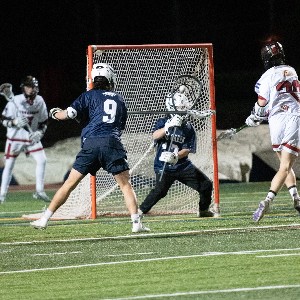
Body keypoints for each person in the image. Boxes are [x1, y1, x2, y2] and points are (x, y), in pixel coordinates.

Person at [30, 63, 150, 233]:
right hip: (112, 142)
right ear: (110, 78)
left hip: (91, 143)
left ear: (93, 79)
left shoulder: (88, 96)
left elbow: (69, 114)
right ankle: (136, 224)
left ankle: (44, 219)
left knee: (69, 185)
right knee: (125, 185)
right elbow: (120, 125)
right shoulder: (119, 98)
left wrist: (55, 113)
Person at [245, 40, 300, 222]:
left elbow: (262, 103)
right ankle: (268, 199)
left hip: (276, 121)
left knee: (284, 166)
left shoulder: (267, 75)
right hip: (292, 117)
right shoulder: (292, 70)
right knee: (285, 166)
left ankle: (296, 199)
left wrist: (254, 116)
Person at [138, 90, 215, 217]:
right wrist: (168, 127)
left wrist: (176, 156)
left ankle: (203, 210)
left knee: (206, 185)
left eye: (184, 108)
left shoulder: (188, 127)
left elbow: (187, 149)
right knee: (160, 191)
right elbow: (155, 136)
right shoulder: (163, 122)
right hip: (164, 166)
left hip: (182, 166)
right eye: (180, 107)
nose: (183, 110)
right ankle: (140, 211)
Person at [0, 76, 49, 204]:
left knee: (42, 160)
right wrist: (14, 122)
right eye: (28, 87)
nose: (30, 89)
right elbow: (3, 120)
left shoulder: (40, 101)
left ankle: (39, 190)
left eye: (32, 86)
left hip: (30, 138)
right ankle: (2, 194)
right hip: (15, 138)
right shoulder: (14, 101)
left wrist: (40, 133)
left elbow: (44, 121)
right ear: (23, 88)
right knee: (9, 165)